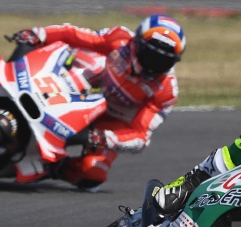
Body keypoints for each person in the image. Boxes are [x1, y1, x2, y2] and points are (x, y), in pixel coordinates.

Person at [13, 14, 186, 191]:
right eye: (150, 54)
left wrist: (106, 138)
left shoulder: (167, 91)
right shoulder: (120, 39)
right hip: (84, 86)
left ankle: (48, 167)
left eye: (163, 60)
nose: (153, 65)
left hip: (109, 121)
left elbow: (140, 136)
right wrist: (40, 34)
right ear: (137, 43)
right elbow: (74, 34)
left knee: (92, 173)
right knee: (80, 58)